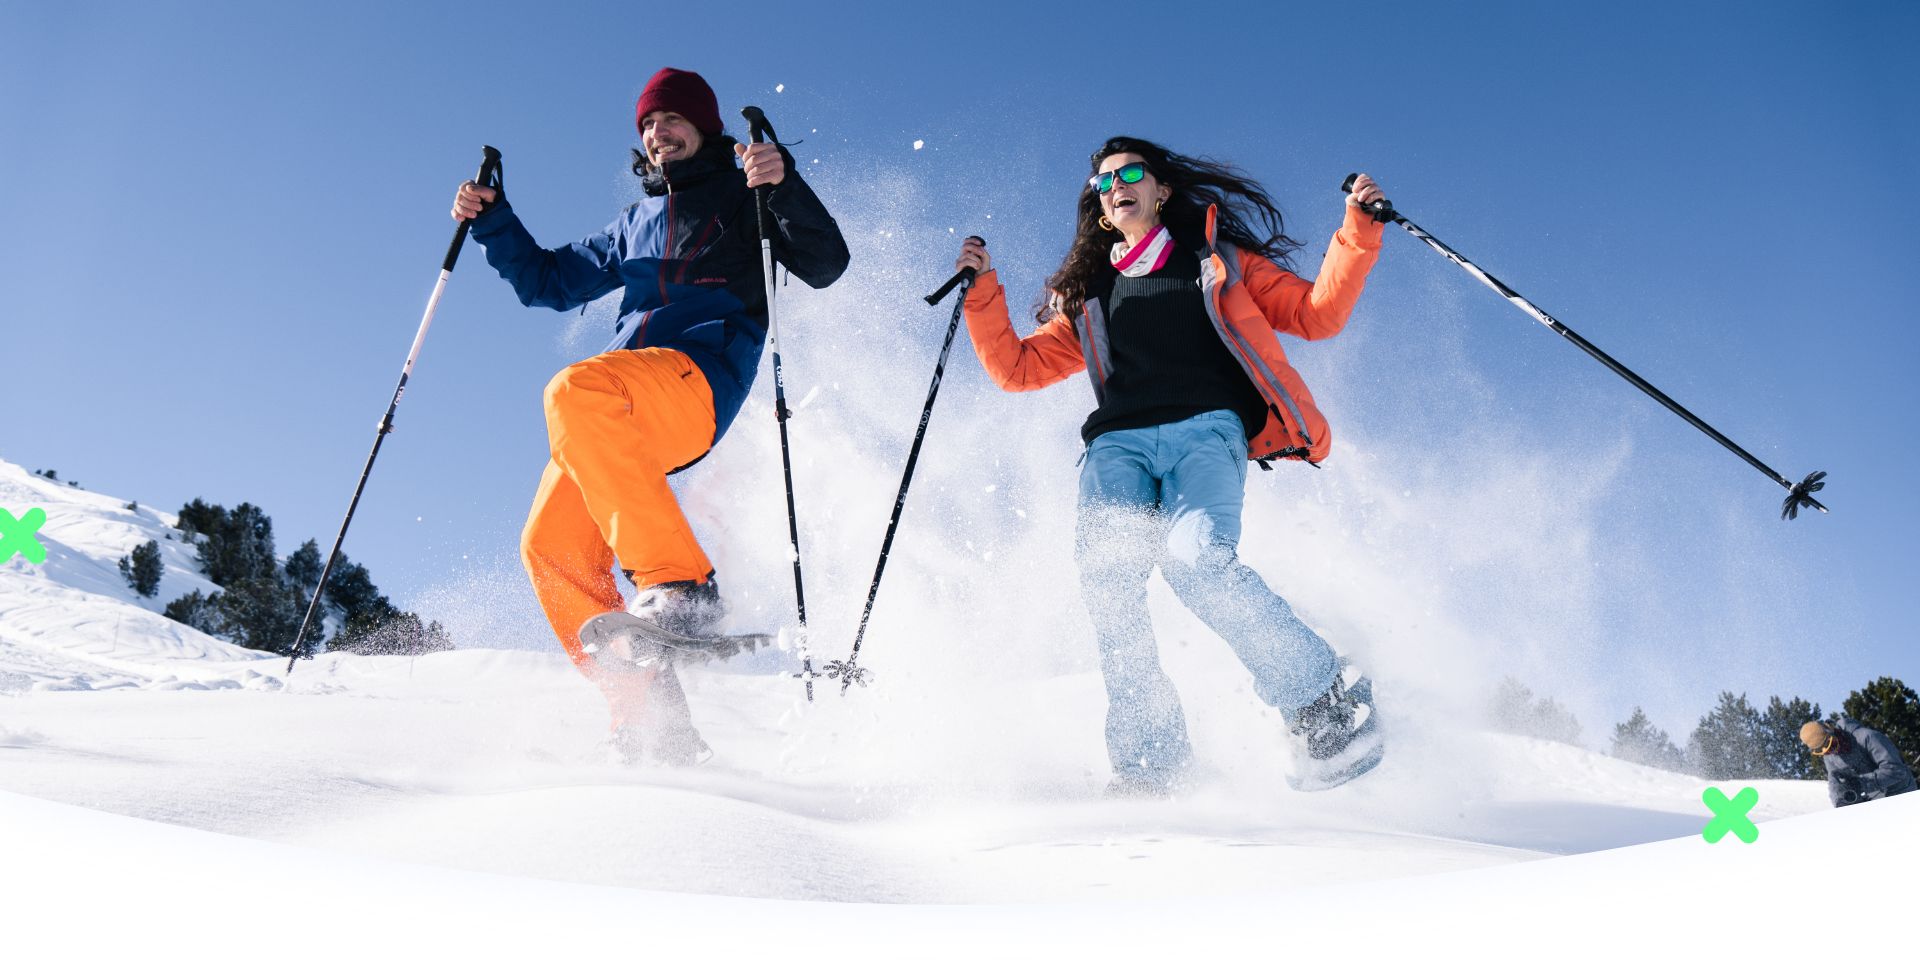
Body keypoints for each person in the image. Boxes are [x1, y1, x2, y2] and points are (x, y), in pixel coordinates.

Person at [952, 137, 1388, 795]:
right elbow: (1016, 369)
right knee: (1108, 581)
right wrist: (982, 291)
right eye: (1104, 183)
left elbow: (1316, 314)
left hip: (1205, 432)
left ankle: (1322, 699)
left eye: (1131, 174)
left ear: (1161, 192)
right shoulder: (1088, 293)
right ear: (1100, 207)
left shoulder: (1218, 262)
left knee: (1195, 559)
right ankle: (1154, 765)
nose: (1116, 185)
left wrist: (1358, 228)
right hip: (1117, 446)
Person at [452, 67, 849, 765]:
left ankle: (680, 585)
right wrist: (495, 221)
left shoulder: (744, 189)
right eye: (646, 125)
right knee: (550, 547)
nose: (656, 133)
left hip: (696, 378)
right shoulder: (634, 224)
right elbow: (549, 282)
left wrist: (782, 184)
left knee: (573, 390)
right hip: (616, 407)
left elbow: (825, 262)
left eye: (670, 120)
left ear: (704, 127)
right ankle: (651, 721)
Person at [1800, 719, 1917, 807]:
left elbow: (1897, 770)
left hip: (1902, 794)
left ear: (1831, 729)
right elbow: (1834, 783)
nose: (1832, 751)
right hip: (1875, 802)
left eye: (1831, 744)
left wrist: (1862, 784)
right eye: (1823, 751)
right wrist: (1840, 801)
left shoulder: (1867, 737)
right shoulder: (1830, 757)